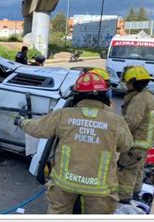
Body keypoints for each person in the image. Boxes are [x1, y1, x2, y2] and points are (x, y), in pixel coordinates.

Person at [16, 72, 133, 214]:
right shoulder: (116, 121)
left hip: (65, 183)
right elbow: (126, 145)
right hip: (99, 188)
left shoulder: (64, 115)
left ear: (77, 94)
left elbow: (36, 128)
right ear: (104, 94)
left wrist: (21, 121)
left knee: (58, 213)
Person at [117, 66, 154, 203]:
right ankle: (135, 195)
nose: (126, 85)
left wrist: (116, 138)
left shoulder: (139, 99)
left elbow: (130, 123)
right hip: (144, 143)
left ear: (135, 83)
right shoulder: (149, 96)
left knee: (126, 171)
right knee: (137, 171)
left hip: (135, 143)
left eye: (128, 82)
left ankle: (124, 200)